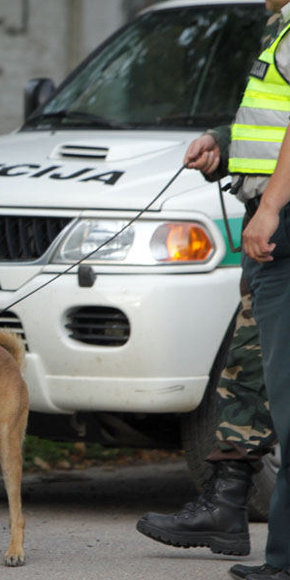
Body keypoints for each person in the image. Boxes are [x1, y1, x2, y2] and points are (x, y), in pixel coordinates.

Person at [136, 3, 290, 578]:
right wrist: (222, 142)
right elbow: (271, 125)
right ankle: (225, 505)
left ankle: (227, 506)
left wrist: (272, 205)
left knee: (257, 360)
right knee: (249, 361)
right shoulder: (279, 24)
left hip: (279, 216)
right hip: (268, 214)